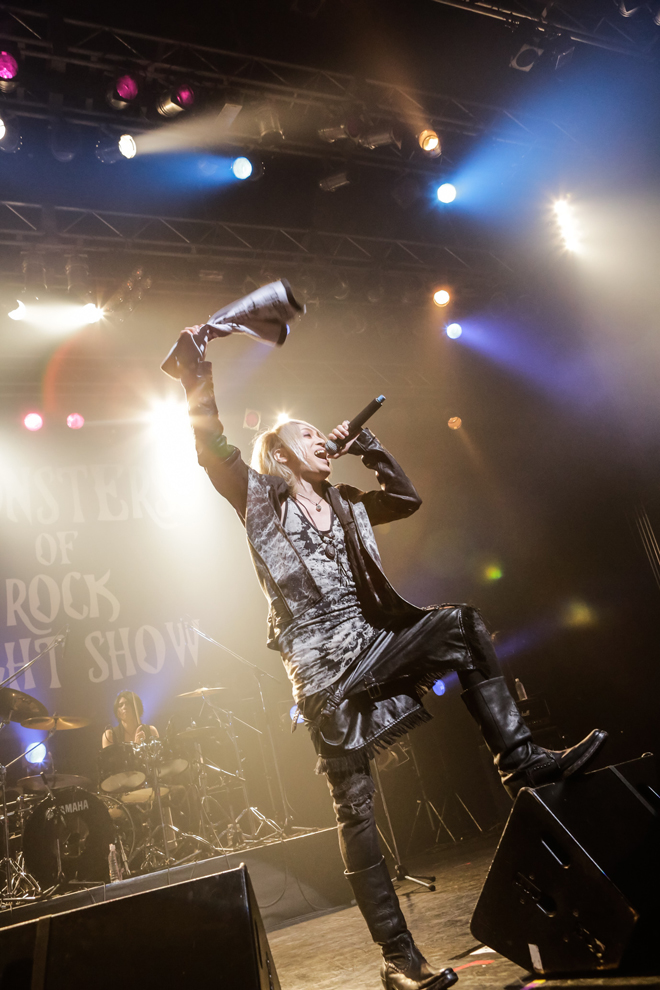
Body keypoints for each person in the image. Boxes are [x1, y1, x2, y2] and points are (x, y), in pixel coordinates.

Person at [175, 326, 607, 990]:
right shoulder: (261, 500)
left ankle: (521, 762)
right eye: (307, 435)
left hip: (371, 643)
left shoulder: (347, 504)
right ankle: (399, 959)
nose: (322, 439)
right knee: (354, 806)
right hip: (322, 669)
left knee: (461, 624)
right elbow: (212, 447)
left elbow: (406, 499)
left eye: (324, 433)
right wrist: (195, 376)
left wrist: (371, 447)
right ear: (281, 454)